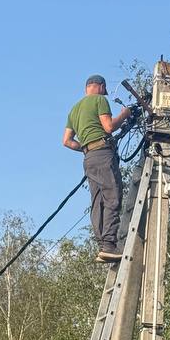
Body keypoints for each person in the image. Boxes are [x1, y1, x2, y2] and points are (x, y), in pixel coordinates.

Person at [63, 74, 137, 263]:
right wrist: (125, 114)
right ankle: (109, 245)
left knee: (98, 202)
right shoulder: (99, 100)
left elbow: (67, 141)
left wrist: (87, 147)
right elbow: (109, 127)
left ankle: (102, 245)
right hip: (103, 155)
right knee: (112, 196)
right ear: (101, 86)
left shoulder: (74, 109)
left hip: (88, 158)